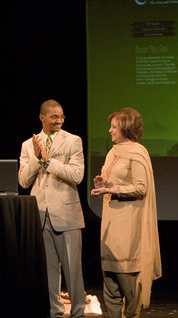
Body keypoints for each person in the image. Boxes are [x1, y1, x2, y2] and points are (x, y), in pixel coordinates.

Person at [91, 107, 162, 318]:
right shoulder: (113, 152)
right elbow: (114, 181)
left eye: (114, 127)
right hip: (111, 221)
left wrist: (113, 189)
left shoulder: (138, 152)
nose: (110, 131)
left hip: (129, 224)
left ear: (126, 128)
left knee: (127, 284)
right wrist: (103, 183)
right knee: (110, 284)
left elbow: (141, 188)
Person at [18, 99, 86, 318]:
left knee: (72, 270)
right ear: (42, 118)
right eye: (55, 117)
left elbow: (77, 175)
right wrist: (37, 160)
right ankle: (54, 313)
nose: (59, 120)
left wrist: (49, 162)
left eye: (62, 116)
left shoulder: (73, 141)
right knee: (49, 271)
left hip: (66, 214)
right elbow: (23, 182)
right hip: (40, 214)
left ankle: (77, 313)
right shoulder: (29, 145)